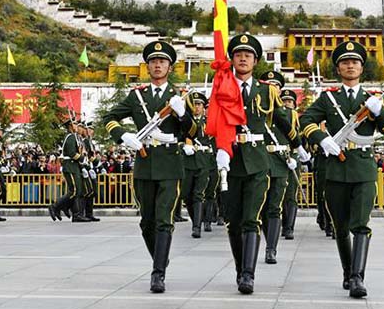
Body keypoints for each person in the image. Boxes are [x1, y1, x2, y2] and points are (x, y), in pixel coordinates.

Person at [300, 40, 384, 299]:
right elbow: (305, 121)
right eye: (345, 62)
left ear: (362, 67)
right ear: (338, 68)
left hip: (363, 168)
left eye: (355, 62)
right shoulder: (328, 98)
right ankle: (347, 271)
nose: (350, 65)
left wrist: (380, 113)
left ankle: (357, 278)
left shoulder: (371, 99)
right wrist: (322, 139)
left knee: (361, 225)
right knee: (340, 226)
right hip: (335, 169)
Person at [102, 40, 196, 293]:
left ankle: (158, 274)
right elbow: (108, 117)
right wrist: (123, 135)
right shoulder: (137, 96)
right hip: (144, 162)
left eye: (162, 61)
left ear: (169, 66)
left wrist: (183, 114)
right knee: (147, 221)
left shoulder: (178, 97)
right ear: (148, 66)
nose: (157, 65)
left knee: (164, 219)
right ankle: (160, 259)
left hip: (170, 164)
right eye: (153, 61)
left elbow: (194, 131)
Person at [214, 33, 300, 294]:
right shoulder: (221, 86)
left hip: (258, 161)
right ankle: (241, 268)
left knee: (252, 219)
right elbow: (214, 120)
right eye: (238, 54)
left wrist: (299, 146)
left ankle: (248, 275)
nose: (243, 58)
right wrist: (217, 148)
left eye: (248, 55)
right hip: (231, 160)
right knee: (234, 221)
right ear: (232, 59)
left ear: (256, 61)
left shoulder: (267, 90)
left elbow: (283, 120)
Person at [257, 72, 310, 264]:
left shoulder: (288, 113)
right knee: (260, 207)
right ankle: (267, 238)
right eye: (269, 84)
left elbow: (293, 136)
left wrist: (296, 152)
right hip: (259, 160)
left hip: (281, 161)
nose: (272, 88)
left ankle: (271, 249)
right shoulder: (256, 109)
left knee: (274, 206)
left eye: (276, 85)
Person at [182, 91, 215, 238]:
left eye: (199, 104)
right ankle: (197, 218)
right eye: (194, 104)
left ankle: (197, 226)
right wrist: (183, 146)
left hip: (204, 160)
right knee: (186, 194)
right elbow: (178, 136)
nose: (196, 107)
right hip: (188, 161)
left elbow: (215, 141)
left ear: (204, 106)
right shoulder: (185, 121)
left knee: (198, 194)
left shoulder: (209, 122)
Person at [279, 88, 309, 241]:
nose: (286, 104)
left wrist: (300, 155)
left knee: (291, 194)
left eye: (290, 102)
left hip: (292, 157)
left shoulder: (295, 117)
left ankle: (288, 227)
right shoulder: (277, 114)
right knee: (276, 195)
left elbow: (301, 139)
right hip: (277, 157)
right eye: (284, 101)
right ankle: (276, 225)